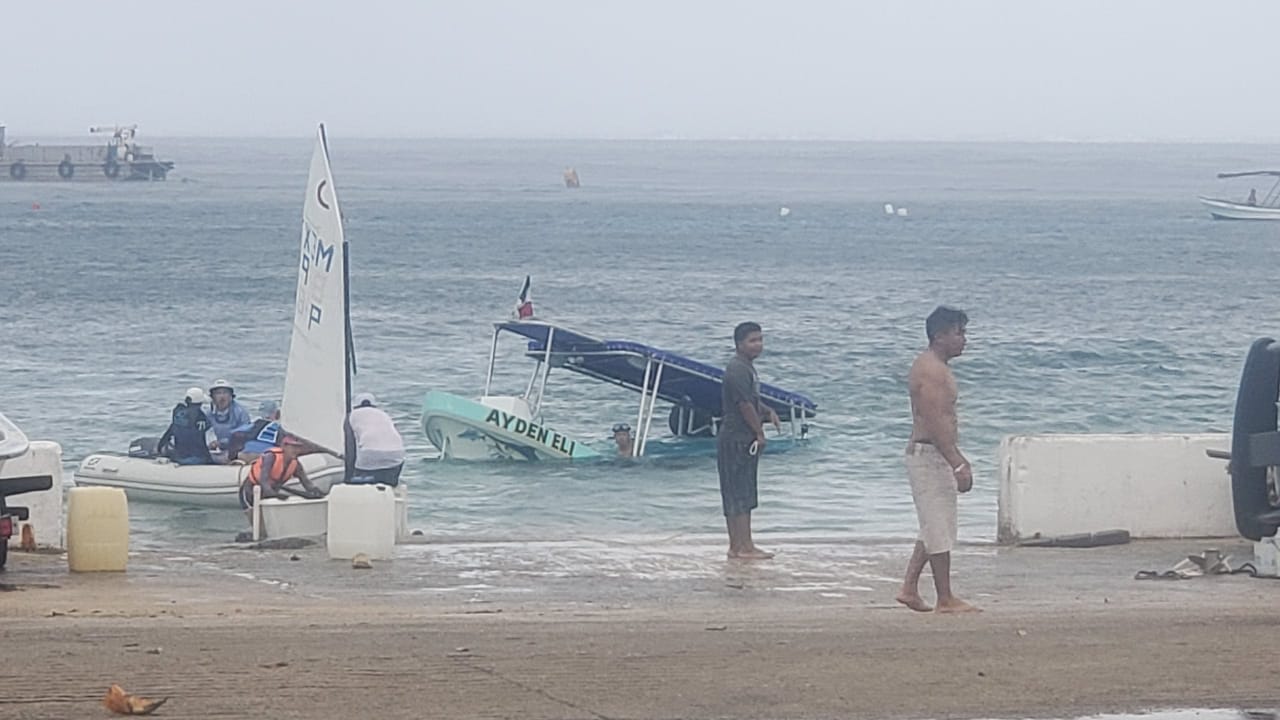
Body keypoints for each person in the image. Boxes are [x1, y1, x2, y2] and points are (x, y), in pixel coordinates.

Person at [897, 305, 980, 614]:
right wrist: (956, 461)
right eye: (959, 333)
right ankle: (945, 598)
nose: (964, 340)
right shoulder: (931, 370)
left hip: (934, 453)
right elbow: (934, 421)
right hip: (929, 454)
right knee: (938, 527)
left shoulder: (937, 367)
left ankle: (909, 588)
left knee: (936, 524)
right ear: (940, 335)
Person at [717, 321, 782, 560]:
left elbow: (752, 400)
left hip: (738, 436)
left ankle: (740, 545)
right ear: (739, 344)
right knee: (739, 492)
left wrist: (767, 411)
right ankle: (742, 546)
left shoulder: (747, 368)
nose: (758, 345)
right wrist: (759, 432)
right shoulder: (737, 369)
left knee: (741, 491)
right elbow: (743, 405)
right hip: (736, 437)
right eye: (752, 341)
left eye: (760, 340)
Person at [238, 436, 323, 514]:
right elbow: (263, 481)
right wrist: (273, 494)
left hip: (270, 492)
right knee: (254, 517)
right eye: (293, 447)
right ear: (284, 446)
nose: (296, 450)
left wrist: (315, 490)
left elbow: (306, 482)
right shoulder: (271, 457)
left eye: (298, 448)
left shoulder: (296, 464)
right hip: (250, 491)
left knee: (267, 519)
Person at [344, 393, 406, 486]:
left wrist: (348, 477)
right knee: (388, 485)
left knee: (361, 486)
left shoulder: (351, 416)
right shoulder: (383, 414)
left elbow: (350, 448)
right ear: (374, 405)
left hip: (370, 455)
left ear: (355, 406)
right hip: (396, 455)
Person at [156, 388, 216, 465]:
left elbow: (169, 432)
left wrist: (160, 448)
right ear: (200, 403)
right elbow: (206, 435)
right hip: (200, 459)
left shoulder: (178, 414)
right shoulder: (201, 417)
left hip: (179, 457)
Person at [206, 379, 251, 459]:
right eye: (218, 393)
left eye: (225, 393)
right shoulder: (209, 413)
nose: (222, 396)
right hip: (214, 450)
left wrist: (223, 443)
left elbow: (244, 435)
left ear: (231, 396)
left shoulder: (240, 413)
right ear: (213, 397)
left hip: (234, 450)